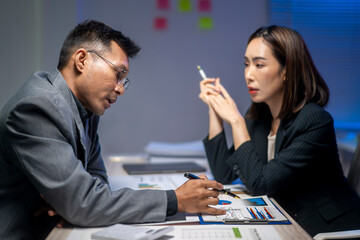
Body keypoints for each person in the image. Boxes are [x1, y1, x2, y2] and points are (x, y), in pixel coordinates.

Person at [0, 20, 225, 240]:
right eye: (118, 73)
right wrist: (175, 200)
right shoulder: (37, 108)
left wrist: (70, 202)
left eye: (124, 80)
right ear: (81, 60)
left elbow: (96, 185)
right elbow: (84, 202)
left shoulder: (84, 107)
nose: (120, 89)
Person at [199, 25, 360, 237]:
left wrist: (236, 122)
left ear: (286, 71)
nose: (248, 74)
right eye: (246, 64)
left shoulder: (315, 121)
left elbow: (260, 183)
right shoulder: (259, 115)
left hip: (326, 229)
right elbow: (223, 174)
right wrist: (214, 109)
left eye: (259, 65)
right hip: (285, 217)